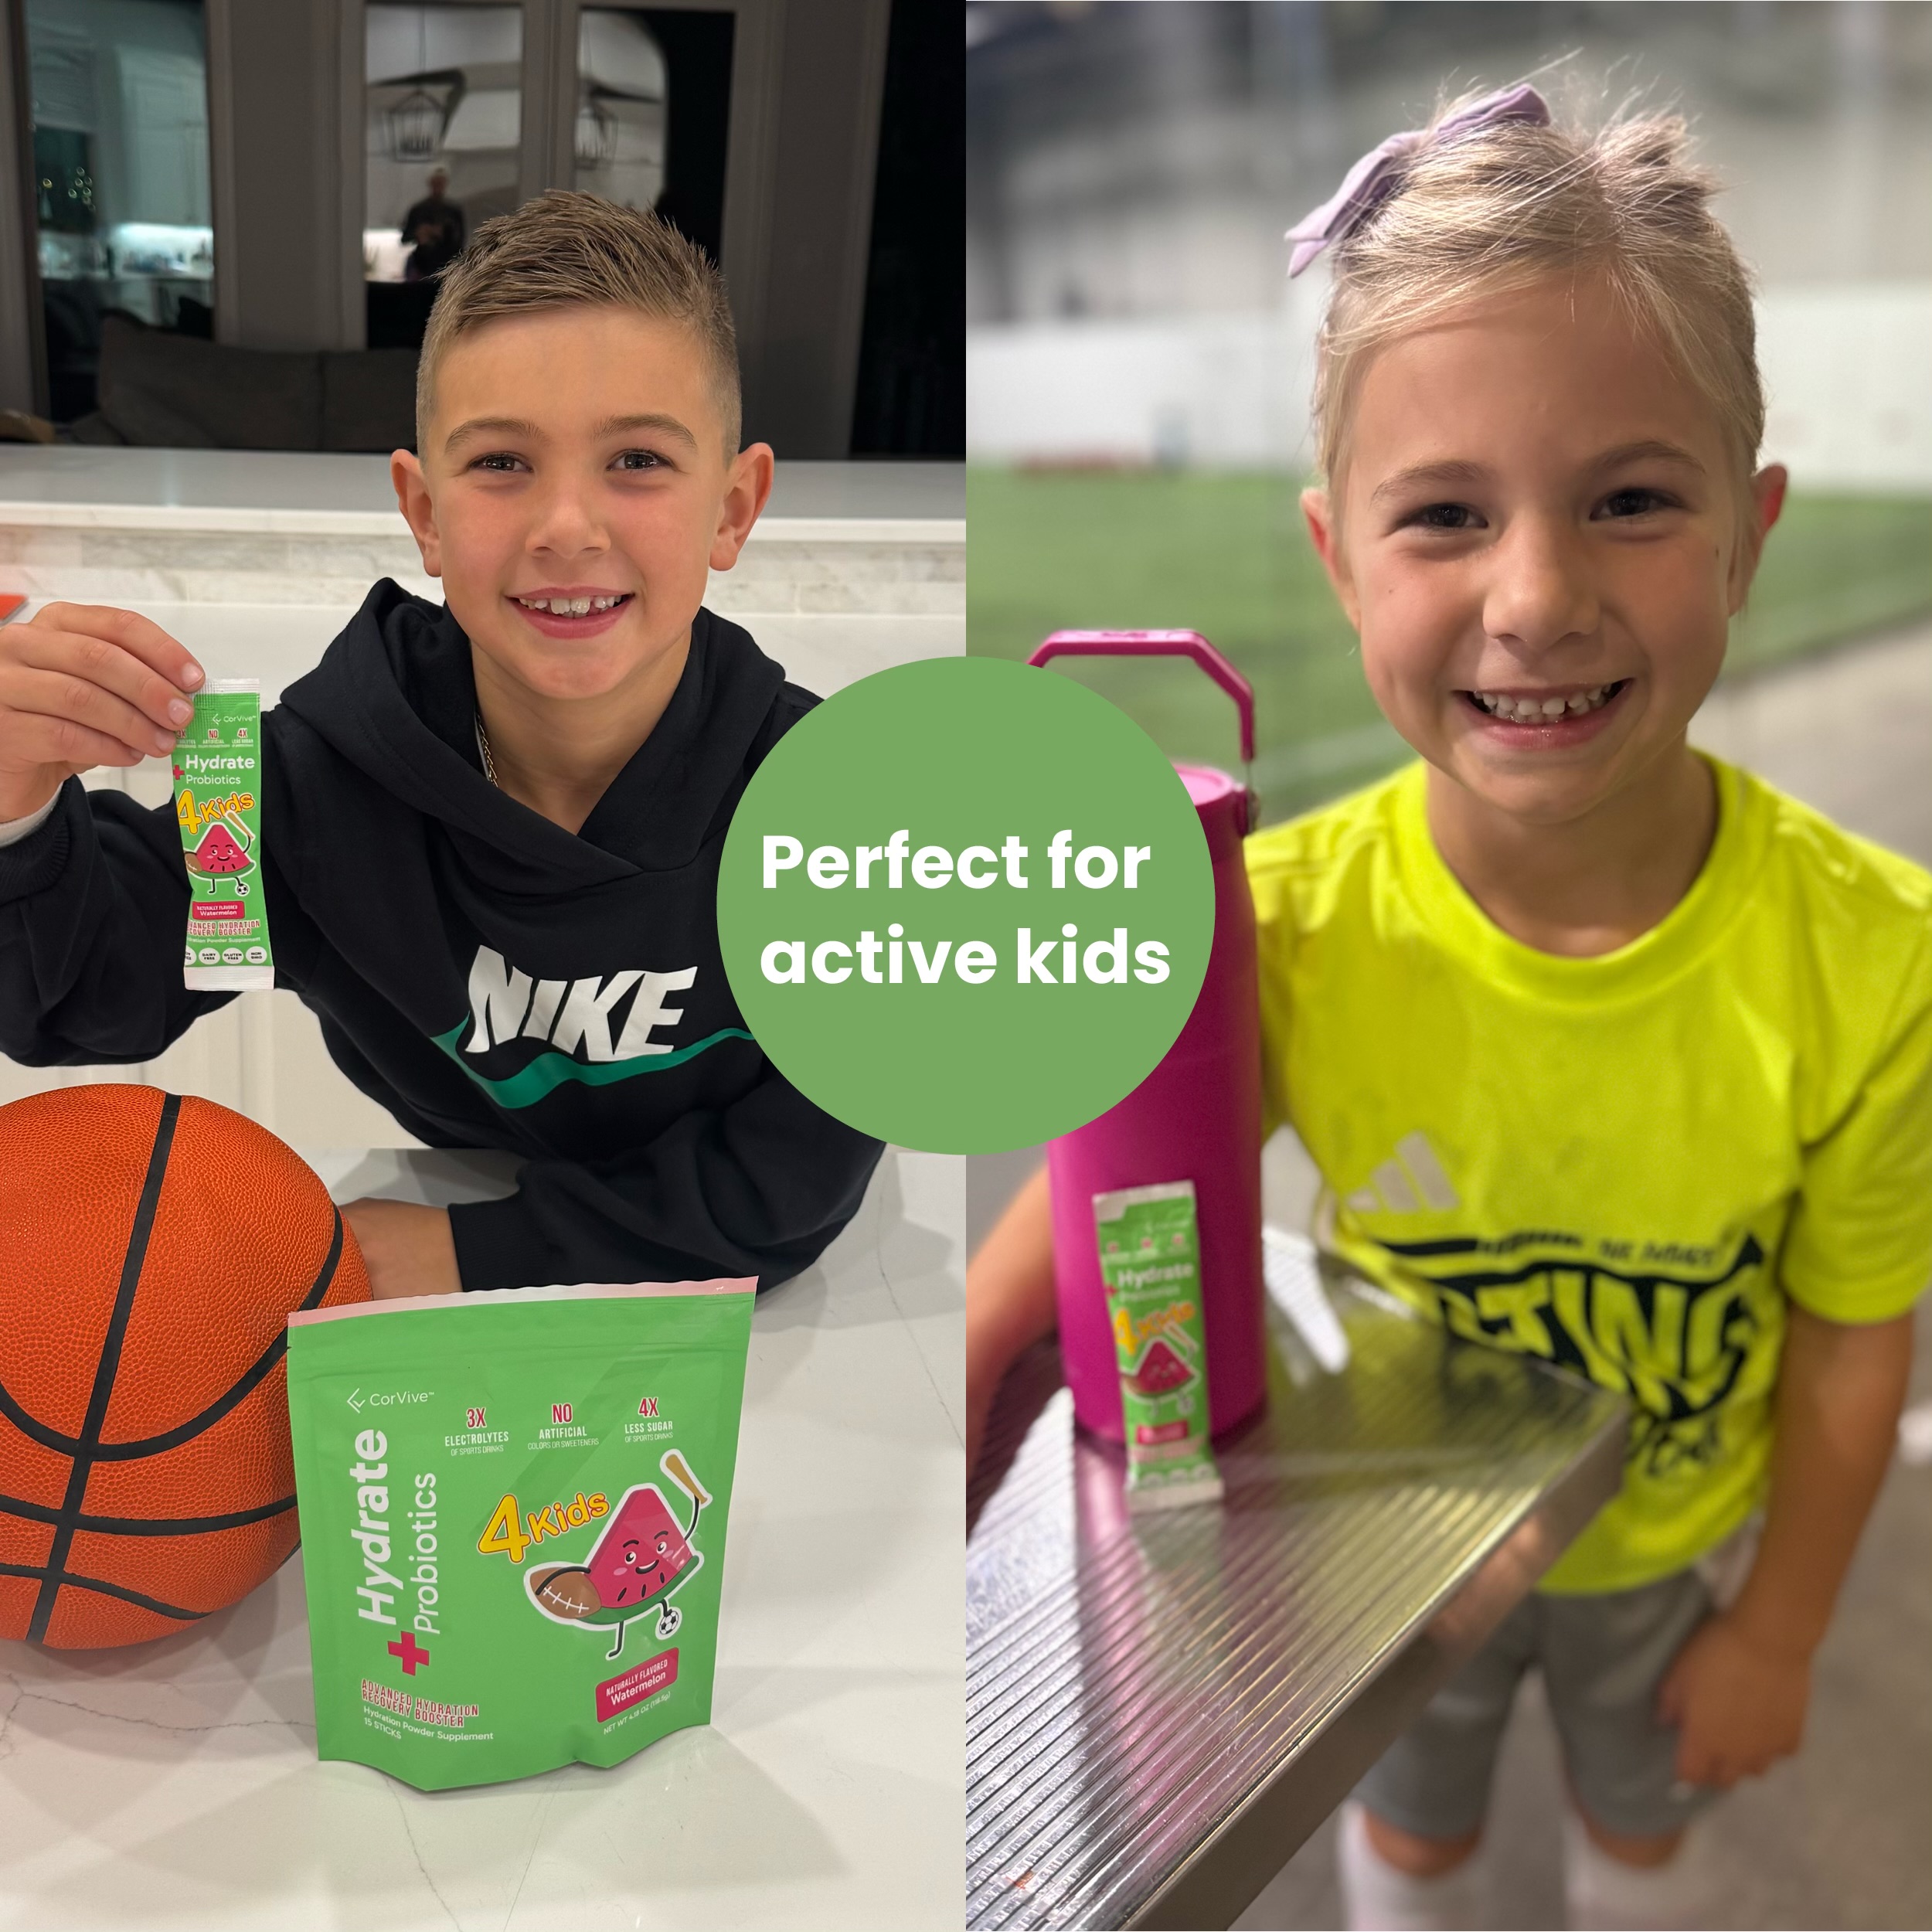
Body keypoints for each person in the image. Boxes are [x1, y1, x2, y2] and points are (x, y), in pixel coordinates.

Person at [965, 83, 1930, 1932]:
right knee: (1405, 1840)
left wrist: (1784, 1632)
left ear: (1752, 530)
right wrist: (965, 1374)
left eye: (1631, 501)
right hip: (1401, 1556)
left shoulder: (1876, 958)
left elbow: (1850, 1343)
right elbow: (1115, 1183)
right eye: (1445, 517)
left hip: (1666, 1546)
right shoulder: (1269, 918)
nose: (1537, 596)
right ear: (1336, 562)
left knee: (1644, 1842)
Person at [0, 192, 883, 1302]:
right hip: (463, 1251)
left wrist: (480, 1253)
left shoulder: (836, 813)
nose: (567, 524)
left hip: (755, 1315)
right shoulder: (308, 790)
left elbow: (793, 1185)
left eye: (640, 461)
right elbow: (79, 998)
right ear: (421, 512)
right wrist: (16, 803)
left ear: (733, 508)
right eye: (502, 463)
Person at [403, 165, 465, 280]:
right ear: (430, 183)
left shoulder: (454, 211)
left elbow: (460, 243)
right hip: (422, 267)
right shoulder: (418, 210)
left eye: (440, 183)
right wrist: (419, 235)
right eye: (436, 183)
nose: (438, 187)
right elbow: (405, 238)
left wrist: (443, 234)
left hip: (446, 268)